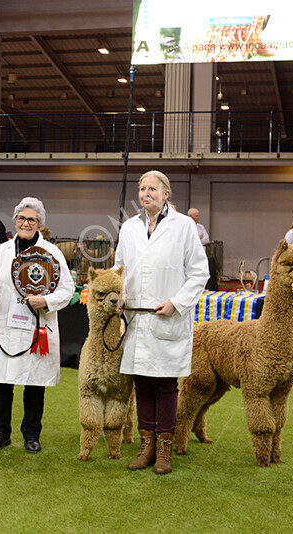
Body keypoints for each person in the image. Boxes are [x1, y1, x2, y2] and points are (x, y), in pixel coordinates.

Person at [116, 171, 210, 475]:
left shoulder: (184, 227)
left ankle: (165, 448)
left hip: (166, 316)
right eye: (142, 188)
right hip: (137, 318)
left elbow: (199, 273)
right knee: (142, 382)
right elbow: (119, 267)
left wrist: (177, 303)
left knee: (166, 384)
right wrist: (118, 295)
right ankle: (147, 445)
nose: (146, 193)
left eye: (152, 188)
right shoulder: (129, 228)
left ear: (166, 193)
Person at [0, 197, 73, 454]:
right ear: (15, 221)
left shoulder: (52, 253)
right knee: (2, 382)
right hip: (7, 325)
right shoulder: (2, 251)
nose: (26, 223)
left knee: (34, 383)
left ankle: (31, 434)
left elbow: (67, 289)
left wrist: (46, 300)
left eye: (31, 219)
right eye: (21, 218)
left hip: (37, 327)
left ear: (39, 223)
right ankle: (1, 433)